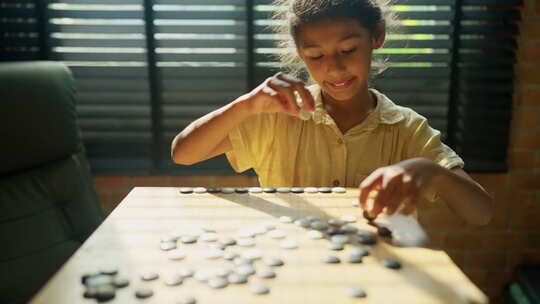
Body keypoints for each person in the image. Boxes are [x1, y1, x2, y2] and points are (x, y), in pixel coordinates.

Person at [171, 0, 493, 226]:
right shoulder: (278, 115)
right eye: (315, 55)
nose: (334, 68)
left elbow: (480, 214)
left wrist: (433, 171)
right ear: (300, 55)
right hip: (292, 263)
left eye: (348, 50)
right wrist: (246, 105)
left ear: (376, 36)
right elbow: (183, 153)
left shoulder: (406, 128)